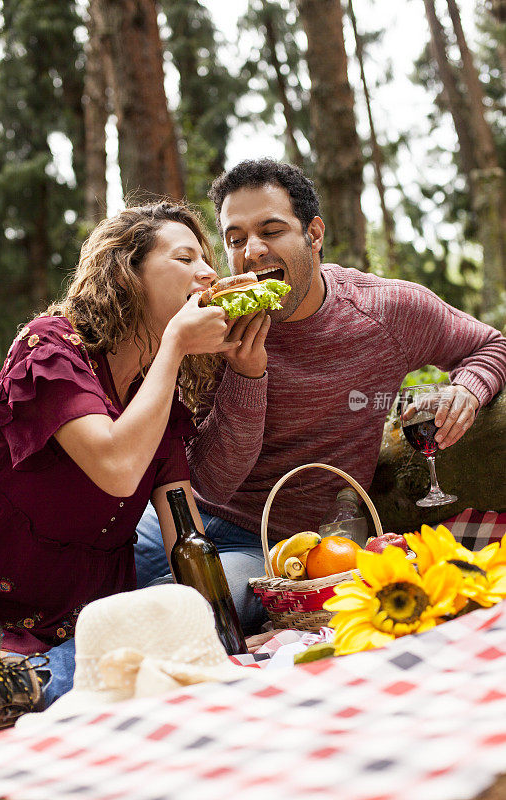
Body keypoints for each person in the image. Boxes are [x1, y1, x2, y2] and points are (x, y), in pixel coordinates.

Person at [135, 158, 506, 634]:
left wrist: (467, 390)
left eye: (271, 230)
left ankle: (35, 678)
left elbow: (490, 344)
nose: (253, 251)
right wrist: (245, 376)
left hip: (275, 545)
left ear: (314, 234)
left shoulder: (384, 312)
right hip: (179, 514)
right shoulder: (209, 324)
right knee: (72, 583)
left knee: (171, 619)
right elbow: (212, 484)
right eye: (236, 238)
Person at [0, 201, 240, 732]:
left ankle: (21, 687)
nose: (209, 273)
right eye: (185, 258)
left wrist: (220, 634)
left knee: (192, 617)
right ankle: (15, 680)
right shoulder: (51, 347)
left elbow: (185, 538)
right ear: (126, 273)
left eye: (206, 260)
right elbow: (116, 465)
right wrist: (175, 347)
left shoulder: (158, 399)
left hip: (82, 616)